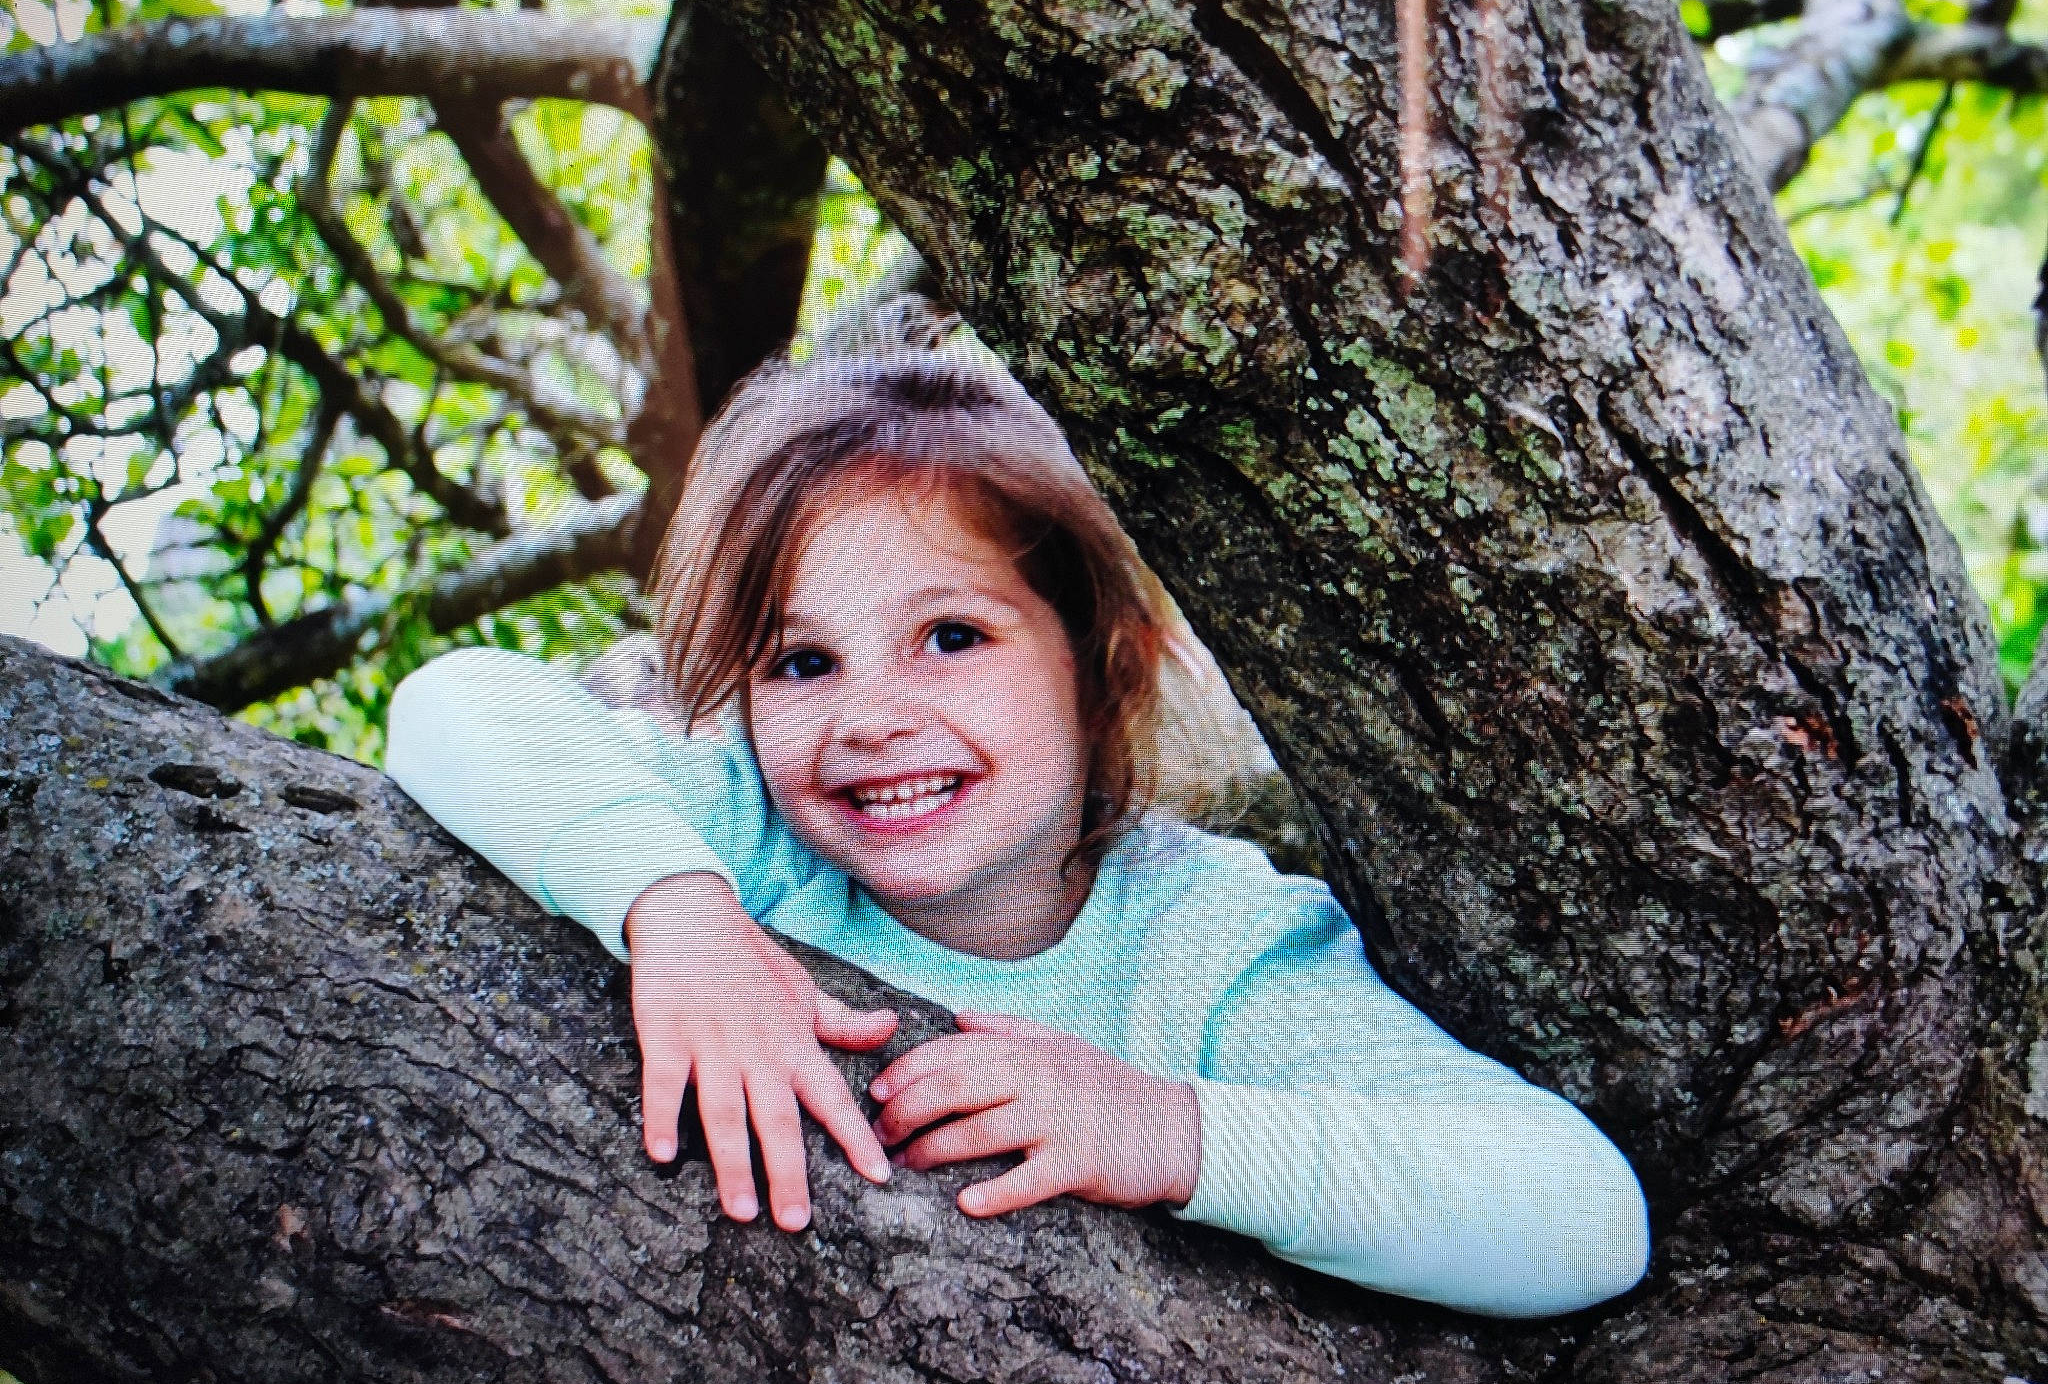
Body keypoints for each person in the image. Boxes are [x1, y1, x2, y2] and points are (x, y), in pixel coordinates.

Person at [385, 302, 1650, 1319]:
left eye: (950, 636)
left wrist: (1168, 1129)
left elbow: (1580, 1219)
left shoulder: (1207, 942)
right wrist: (680, 917)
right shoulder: (749, 837)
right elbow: (454, 703)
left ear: (1099, 666)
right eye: (802, 662)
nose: (869, 718)